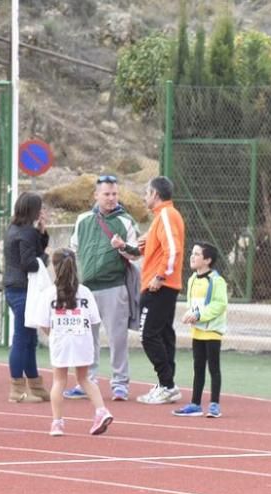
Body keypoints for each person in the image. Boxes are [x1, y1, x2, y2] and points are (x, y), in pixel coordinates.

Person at [64, 174, 142, 402]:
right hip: (86, 288)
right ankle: (87, 380)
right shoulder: (83, 220)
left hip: (114, 286)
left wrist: (122, 246)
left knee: (117, 337)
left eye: (114, 194)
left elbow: (136, 253)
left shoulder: (125, 221)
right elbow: (73, 249)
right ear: (96, 195)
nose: (111, 198)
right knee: (87, 338)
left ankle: (120, 383)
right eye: (106, 194)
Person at [120, 176, 186, 405]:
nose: (144, 197)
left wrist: (160, 276)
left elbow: (174, 249)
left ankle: (167, 384)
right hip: (161, 284)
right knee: (163, 334)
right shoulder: (161, 218)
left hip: (160, 285)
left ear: (156, 194)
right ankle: (167, 384)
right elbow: (141, 248)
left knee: (148, 335)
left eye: (147, 192)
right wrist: (123, 247)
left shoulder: (167, 215)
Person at [36, 248, 114, 437]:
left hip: (61, 341)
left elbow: (43, 324)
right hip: (83, 340)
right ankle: (101, 410)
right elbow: (95, 320)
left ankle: (57, 423)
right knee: (84, 378)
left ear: (54, 268)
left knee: (59, 380)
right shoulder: (85, 292)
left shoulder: (49, 294)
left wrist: (54, 331)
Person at [2, 191, 51, 403]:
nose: (42, 211)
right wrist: (45, 258)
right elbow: (29, 263)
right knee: (23, 338)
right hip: (24, 291)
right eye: (40, 208)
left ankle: (35, 385)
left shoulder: (13, 229)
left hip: (13, 289)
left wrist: (41, 233)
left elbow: (31, 250)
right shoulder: (26, 233)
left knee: (29, 338)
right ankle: (17, 388)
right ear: (33, 210)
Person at [172, 243, 228, 418]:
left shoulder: (217, 281)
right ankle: (195, 404)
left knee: (213, 367)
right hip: (197, 331)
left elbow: (219, 305)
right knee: (198, 367)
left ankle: (214, 404)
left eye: (197, 254)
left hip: (212, 331)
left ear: (208, 260)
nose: (192, 256)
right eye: (192, 253)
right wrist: (189, 315)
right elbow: (192, 304)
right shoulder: (192, 280)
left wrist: (199, 315)